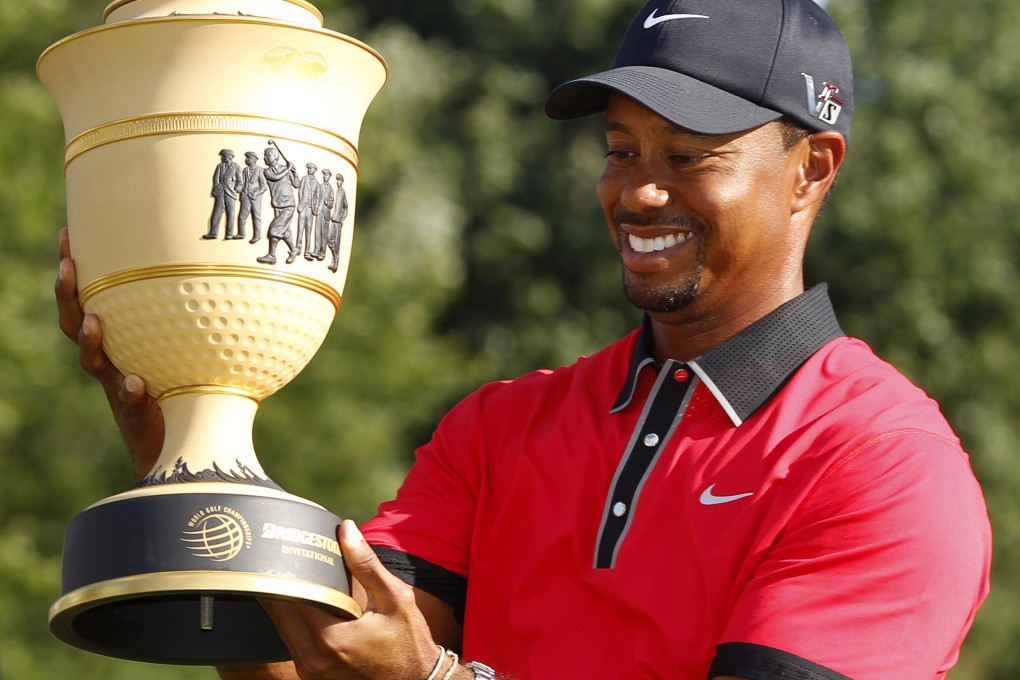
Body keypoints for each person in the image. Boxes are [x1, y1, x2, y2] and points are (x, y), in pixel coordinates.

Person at [55, 1, 991, 678]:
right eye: (622, 150)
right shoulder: (500, 428)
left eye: (689, 153)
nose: (640, 192)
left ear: (810, 170)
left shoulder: (883, 465)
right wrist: (179, 435)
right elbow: (318, 671)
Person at [257, 146, 301, 266]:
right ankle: (294, 249)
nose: (264, 157)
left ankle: (271, 255)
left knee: (274, 229)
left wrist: (294, 172)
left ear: (275, 156)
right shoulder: (267, 171)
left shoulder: (284, 168)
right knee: (285, 230)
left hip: (288, 204)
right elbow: (275, 177)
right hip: (278, 205)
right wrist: (288, 169)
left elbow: (296, 184)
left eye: (267, 155)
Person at [204, 148, 243, 240]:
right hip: (220, 193)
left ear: (229, 156)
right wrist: (217, 189)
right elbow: (216, 178)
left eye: (223, 156)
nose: (222, 158)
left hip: (231, 193)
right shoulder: (220, 166)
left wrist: (236, 189)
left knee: (231, 214)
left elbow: (240, 181)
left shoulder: (236, 167)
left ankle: (229, 233)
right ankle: (213, 233)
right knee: (217, 213)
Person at [238, 150, 269, 243]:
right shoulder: (245, 170)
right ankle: (241, 233)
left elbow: (264, 186)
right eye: (246, 158)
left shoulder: (260, 170)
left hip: (255, 197)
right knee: (242, 216)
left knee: (256, 216)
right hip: (245, 196)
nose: (246, 160)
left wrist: (257, 193)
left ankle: (257, 235)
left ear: (254, 159)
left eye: (248, 158)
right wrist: (241, 192)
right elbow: (242, 182)